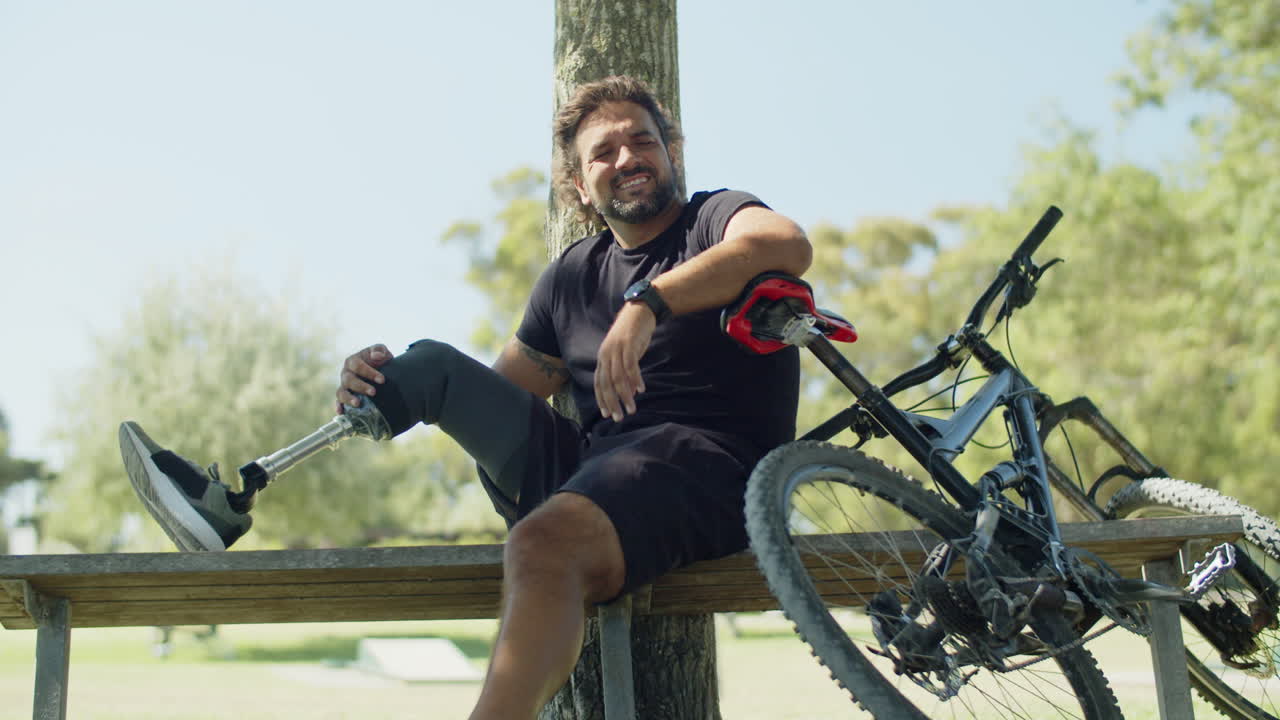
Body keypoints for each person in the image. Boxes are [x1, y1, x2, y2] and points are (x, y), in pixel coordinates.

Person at [119, 74, 811, 719]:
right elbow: (494, 392)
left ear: (671, 152)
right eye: (605, 151)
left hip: (710, 469)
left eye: (642, 140)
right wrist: (377, 386)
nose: (628, 156)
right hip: (599, 468)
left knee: (542, 543)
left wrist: (647, 303)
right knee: (429, 367)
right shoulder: (571, 277)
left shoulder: (712, 219)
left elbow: (784, 244)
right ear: (578, 184)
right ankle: (232, 499)